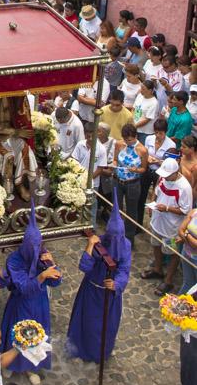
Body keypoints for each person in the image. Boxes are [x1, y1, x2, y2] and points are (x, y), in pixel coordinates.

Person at [0, 202, 60, 385]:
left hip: (40, 303)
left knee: (36, 334)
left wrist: (52, 265)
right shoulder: (14, 260)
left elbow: (56, 281)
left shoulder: (43, 255)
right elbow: (24, 287)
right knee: (17, 333)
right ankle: (11, 363)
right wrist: (42, 276)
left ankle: (30, 367)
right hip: (21, 303)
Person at [67, 192, 132, 362]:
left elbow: (124, 269)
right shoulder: (99, 243)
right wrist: (90, 246)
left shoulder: (126, 246)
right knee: (88, 324)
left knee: (107, 326)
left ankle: (103, 352)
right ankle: (81, 351)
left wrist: (117, 284)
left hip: (110, 295)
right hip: (92, 290)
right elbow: (84, 266)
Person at [142, 157, 193, 294]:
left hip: (172, 228)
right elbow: (156, 191)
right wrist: (152, 205)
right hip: (158, 221)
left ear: (175, 173)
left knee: (172, 253)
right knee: (156, 244)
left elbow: (186, 211)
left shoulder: (184, 187)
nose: (164, 177)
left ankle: (168, 280)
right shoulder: (163, 178)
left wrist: (167, 208)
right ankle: (158, 269)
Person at [112, 123, 148, 246]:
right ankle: (115, 235)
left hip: (132, 183)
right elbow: (115, 159)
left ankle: (129, 238)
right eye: (126, 140)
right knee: (117, 208)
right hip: (118, 180)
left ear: (135, 136)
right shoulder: (119, 144)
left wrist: (136, 170)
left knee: (132, 211)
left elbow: (144, 168)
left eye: (130, 140)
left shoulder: (142, 150)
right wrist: (114, 164)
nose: (128, 142)